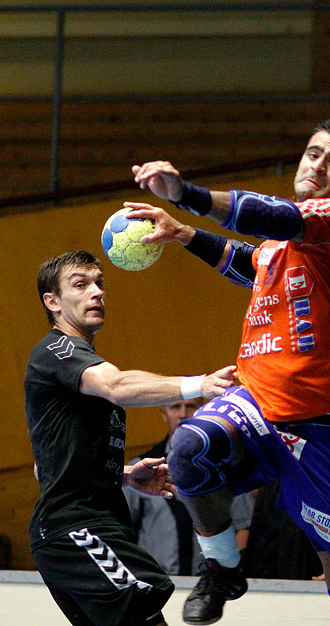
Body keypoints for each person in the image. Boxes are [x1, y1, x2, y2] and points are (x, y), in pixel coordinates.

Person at [126, 118, 330, 626]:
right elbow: (254, 262)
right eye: (312, 153)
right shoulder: (285, 247)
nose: (317, 165)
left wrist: (186, 195)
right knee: (187, 448)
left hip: (324, 428)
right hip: (258, 403)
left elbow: (271, 218)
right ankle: (223, 570)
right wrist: (184, 234)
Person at [25, 250, 237, 626]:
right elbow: (117, 385)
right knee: (146, 599)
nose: (97, 293)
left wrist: (122, 475)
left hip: (76, 530)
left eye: (99, 284)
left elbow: (45, 467)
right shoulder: (57, 350)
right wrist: (199, 385)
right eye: (81, 284)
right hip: (74, 527)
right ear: (52, 302)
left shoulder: (69, 367)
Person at [123, 398, 254, 576]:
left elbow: (244, 526)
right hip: (153, 582)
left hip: (207, 580)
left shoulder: (223, 467)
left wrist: (224, 573)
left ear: (203, 410)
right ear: (163, 414)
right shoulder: (139, 470)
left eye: (191, 406)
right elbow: (121, 531)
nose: (183, 414)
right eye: (175, 406)